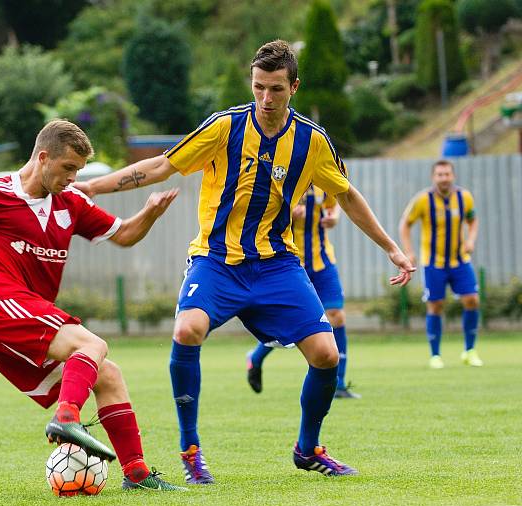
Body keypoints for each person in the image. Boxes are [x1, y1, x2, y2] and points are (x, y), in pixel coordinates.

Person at [74, 40, 414, 482]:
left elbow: (346, 196)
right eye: (258, 88)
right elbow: (161, 166)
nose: (266, 99)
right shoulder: (224, 127)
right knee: (186, 329)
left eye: (275, 89)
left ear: (294, 86)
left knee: (327, 355)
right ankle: (190, 449)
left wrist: (390, 246)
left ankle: (308, 449)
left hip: (277, 265)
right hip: (216, 261)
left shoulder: (311, 141)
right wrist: (94, 189)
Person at [0, 120, 185, 491]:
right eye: (68, 168)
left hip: (23, 315)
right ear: (43, 157)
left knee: (108, 374)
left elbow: (124, 234)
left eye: (78, 170)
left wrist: (150, 213)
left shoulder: (71, 204)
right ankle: (66, 416)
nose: (73, 178)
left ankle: (137, 475)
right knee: (92, 344)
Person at [246, 185, 360, 399]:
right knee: (291, 323)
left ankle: (340, 383)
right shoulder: (282, 182)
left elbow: (334, 206)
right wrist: (289, 213)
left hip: (323, 261)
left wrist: (334, 218)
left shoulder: (321, 183)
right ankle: (256, 357)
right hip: (290, 264)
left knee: (336, 315)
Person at [399, 160, 482, 369]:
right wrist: (409, 252)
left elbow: (473, 220)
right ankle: (435, 355)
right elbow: (405, 224)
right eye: (439, 175)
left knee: (472, 300)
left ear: (453, 176)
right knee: (435, 305)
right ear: (433, 177)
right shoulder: (423, 200)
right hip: (433, 263)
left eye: (447, 174)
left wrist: (471, 240)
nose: (443, 178)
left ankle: (470, 351)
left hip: (460, 260)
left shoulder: (465, 197)